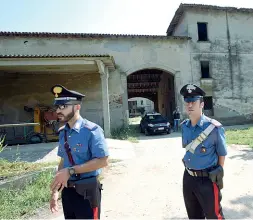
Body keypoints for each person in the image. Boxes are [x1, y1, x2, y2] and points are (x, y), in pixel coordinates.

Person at [49, 84, 109, 219]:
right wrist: (56, 191)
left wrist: (71, 171)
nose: (58, 111)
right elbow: (63, 162)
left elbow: (103, 161)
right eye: (57, 107)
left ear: (77, 106)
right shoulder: (63, 133)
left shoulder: (92, 130)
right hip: (68, 193)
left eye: (63, 106)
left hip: (87, 192)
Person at [180, 83, 227, 219]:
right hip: (188, 177)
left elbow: (222, 153)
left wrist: (218, 173)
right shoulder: (185, 127)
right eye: (187, 102)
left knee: (214, 216)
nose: (189, 105)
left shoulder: (214, 128)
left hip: (207, 179)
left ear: (201, 104)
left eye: (193, 102)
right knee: (194, 216)